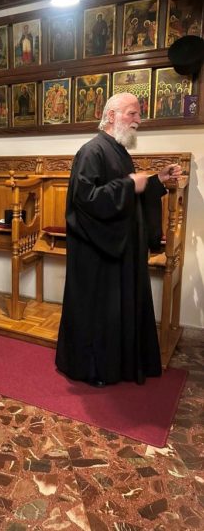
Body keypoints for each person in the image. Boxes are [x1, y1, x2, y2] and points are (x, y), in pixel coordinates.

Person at [55, 92, 182, 387]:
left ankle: (120, 364)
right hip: (96, 252)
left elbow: (129, 192)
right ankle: (93, 369)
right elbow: (85, 199)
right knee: (99, 313)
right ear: (111, 116)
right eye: (132, 113)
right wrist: (127, 184)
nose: (138, 120)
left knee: (115, 312)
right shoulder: (92, 151)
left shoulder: (119, 151)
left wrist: (157, 181)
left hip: (118, 247)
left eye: (138, 115)